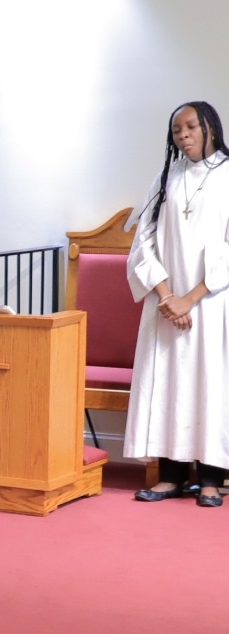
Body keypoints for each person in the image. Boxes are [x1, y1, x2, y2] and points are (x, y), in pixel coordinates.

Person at [126, 101, 229, 508]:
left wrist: (191, 297)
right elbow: (143, 241)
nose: (182, 135)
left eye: (190, 127)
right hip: (165, 303)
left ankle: (210, 478)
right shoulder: (167, 177)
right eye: (176, 130)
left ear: (210, 128)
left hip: (211, 302)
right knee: (165, 382)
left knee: (210, 385)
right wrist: (167, 295)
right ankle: (170, 475)